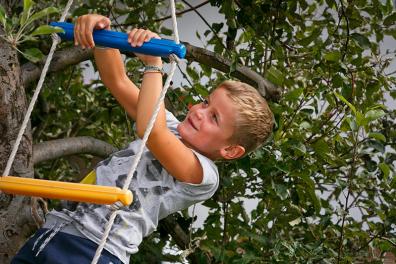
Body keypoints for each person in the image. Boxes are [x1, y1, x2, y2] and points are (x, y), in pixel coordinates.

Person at [12, 14, 274, 264]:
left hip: (95, 249)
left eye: (214, 117)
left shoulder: (204, 175)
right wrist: (102, 35)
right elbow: (117, 80)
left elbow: (151, 131)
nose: (199, 111)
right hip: (55, 231)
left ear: (230, 150)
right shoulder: (169, 124)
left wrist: (153, 64)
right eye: (206, 102)